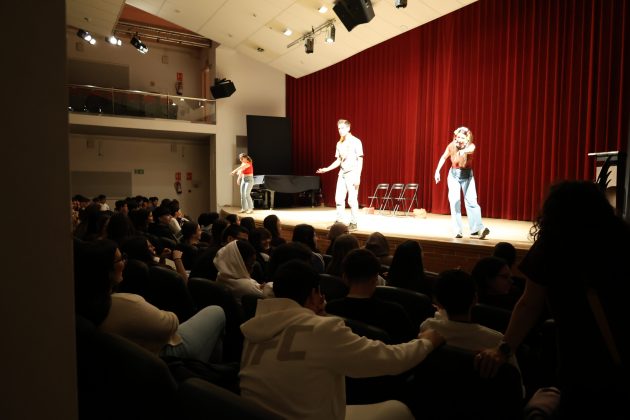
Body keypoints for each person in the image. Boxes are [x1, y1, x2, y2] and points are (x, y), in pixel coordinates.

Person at [475, 181, 630, 419]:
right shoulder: (622, 240)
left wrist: (503, 349)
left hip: (577, 361)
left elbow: (529, 304)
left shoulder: (552, 247)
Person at [239, 259, 444, 420]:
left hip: (255, 415)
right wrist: (427, 342)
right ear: (314, 294)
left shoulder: (255, 328)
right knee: (398, 409)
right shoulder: (322, 329)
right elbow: (392, 360)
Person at [434, 126, 489, 239]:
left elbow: (471, 149)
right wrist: (437, 171)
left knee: (472, 202)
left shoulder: (470, 146)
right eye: (458, 137)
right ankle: (457, 231)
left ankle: (477, 230)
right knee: (455, 202)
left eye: (462, 138)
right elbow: (444, 157)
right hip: (453, 176)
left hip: (467, 176)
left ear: (467, 139)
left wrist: (463, 151)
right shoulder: (451, 145)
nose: (459, 139)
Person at [317, 119, 364, 231]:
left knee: (352, 200)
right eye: (339, 128)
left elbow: (360, 159)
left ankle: (354, 223)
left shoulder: (356, 141)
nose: (340, 130)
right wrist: (326, 169)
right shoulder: (339, 143)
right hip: (342, 173)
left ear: (348, 128)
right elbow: (339, 160)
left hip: (352, 173)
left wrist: (358, 177)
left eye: (342, 128)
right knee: (338, 198)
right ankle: (339, 222)